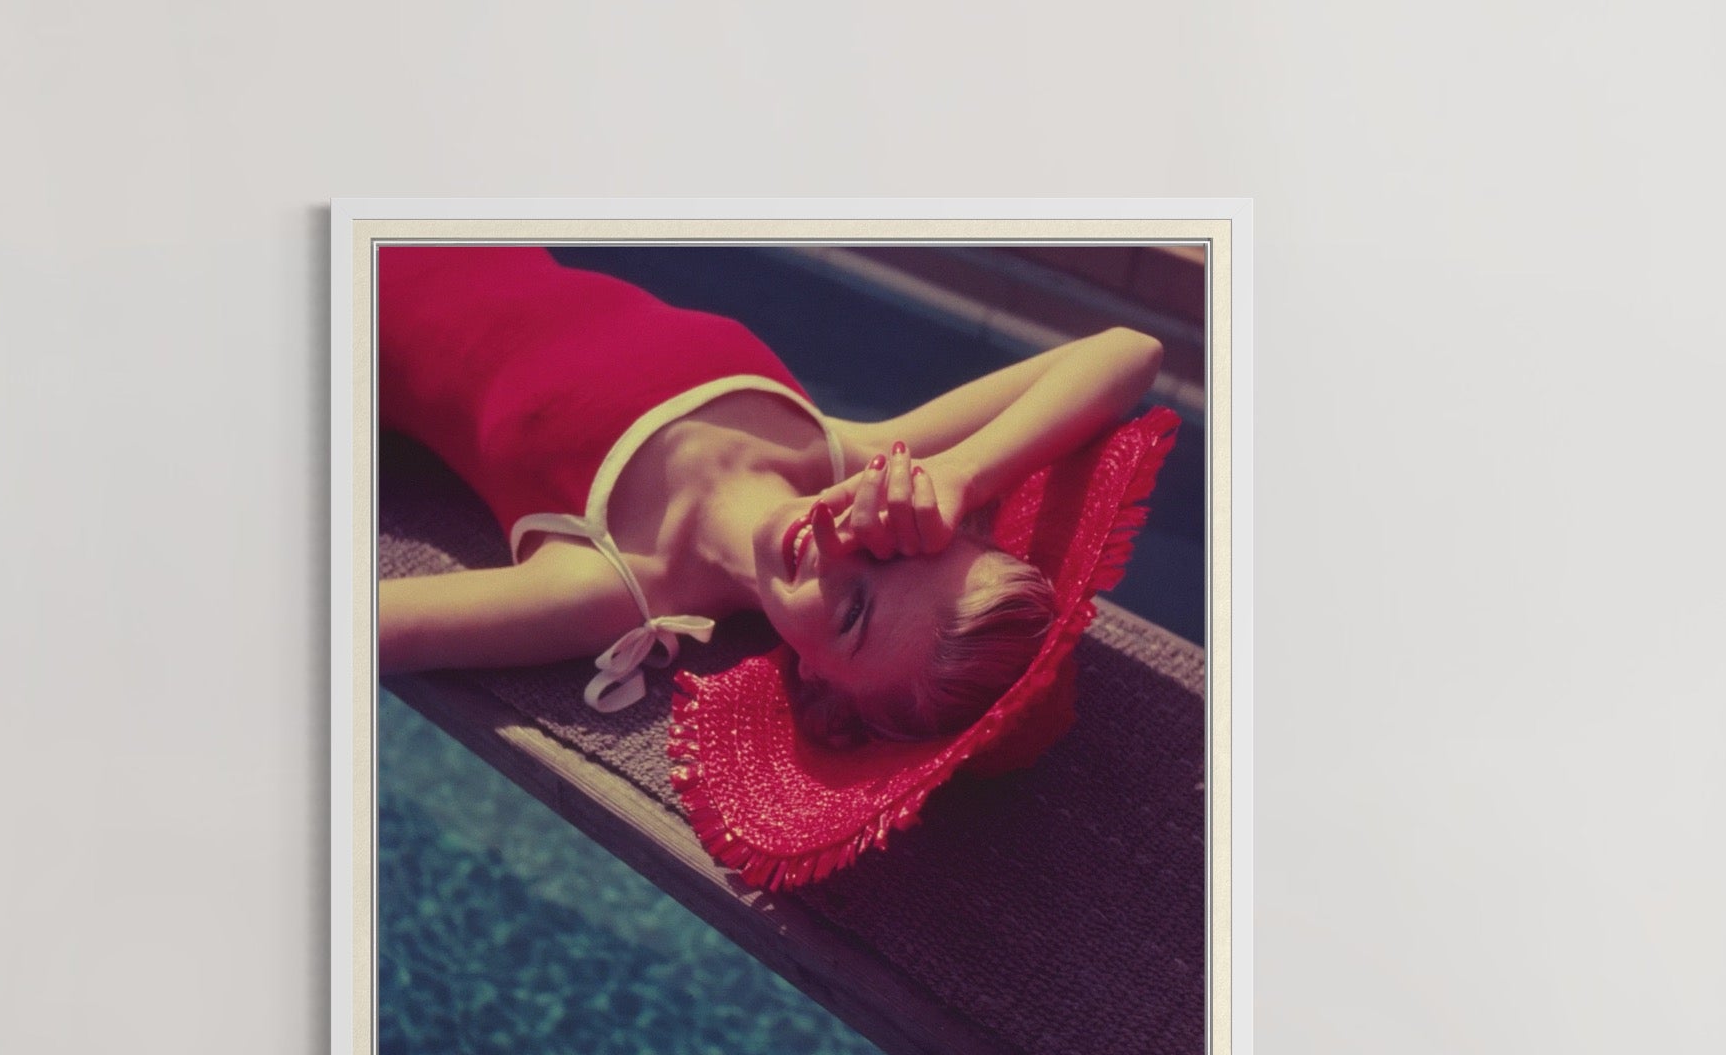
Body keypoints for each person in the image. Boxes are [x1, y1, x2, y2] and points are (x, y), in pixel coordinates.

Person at [377, 247, 1165, 748]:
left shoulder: (608, 582)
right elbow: (1128, 352)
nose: (843, 542)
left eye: (854, 610)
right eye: (904, 542)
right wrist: (961, 475)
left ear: (818, 686)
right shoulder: (847, 452)